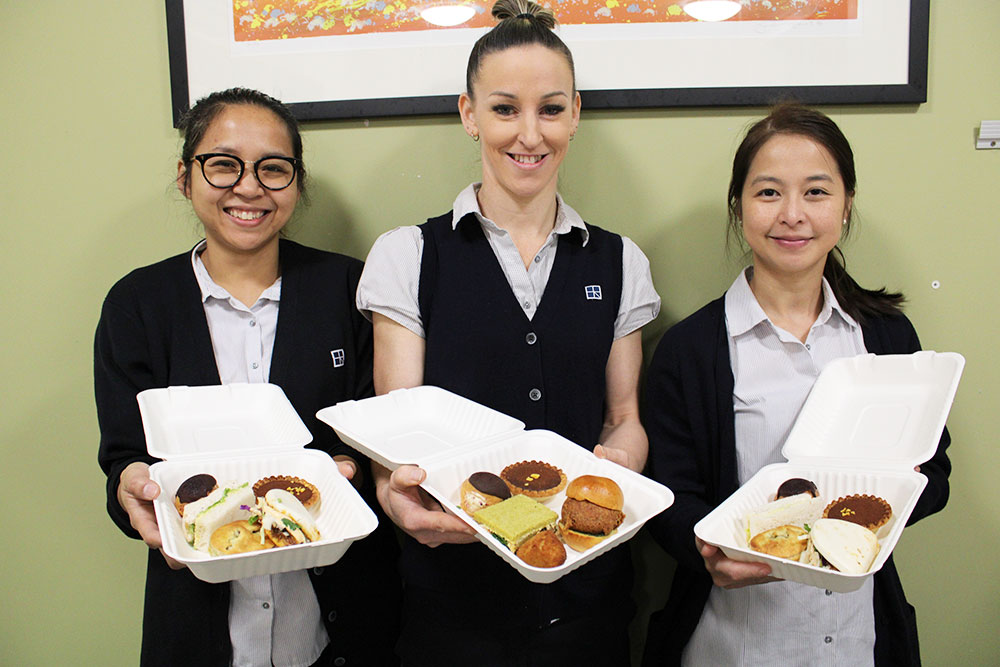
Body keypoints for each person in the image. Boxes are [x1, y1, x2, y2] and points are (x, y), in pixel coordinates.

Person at [356, 1, 660, 663]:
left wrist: (618, 470)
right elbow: (397, 430)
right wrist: (393, 494)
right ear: (468, 113)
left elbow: (625, 415)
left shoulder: (618, 260)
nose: (530, 133)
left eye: (551, 109)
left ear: (575, 114)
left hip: (587, 603)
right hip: (451, 608)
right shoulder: (408, 255)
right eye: (504, 108)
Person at [95, 87, 401, 667]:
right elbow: (124, 457)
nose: (249, 186)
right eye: (223, 164)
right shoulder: (138, 305)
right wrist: (132, 487)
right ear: (186, 177)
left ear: (296, 182)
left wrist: (350, 471)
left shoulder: (349, 290)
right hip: (196, 625)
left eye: (273, 168)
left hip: (341, 627)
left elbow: (373, 433)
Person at [641, 104, 951, 666]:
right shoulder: (690, 350)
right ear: (738, 206)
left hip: (861, 641)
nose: (792, 214)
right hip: (735, 642)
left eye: (815, 192)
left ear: (846, 203)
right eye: (768, 193)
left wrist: (879, 506)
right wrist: (707, 549)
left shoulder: (885, 335)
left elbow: (935, 474)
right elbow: (667, 498)